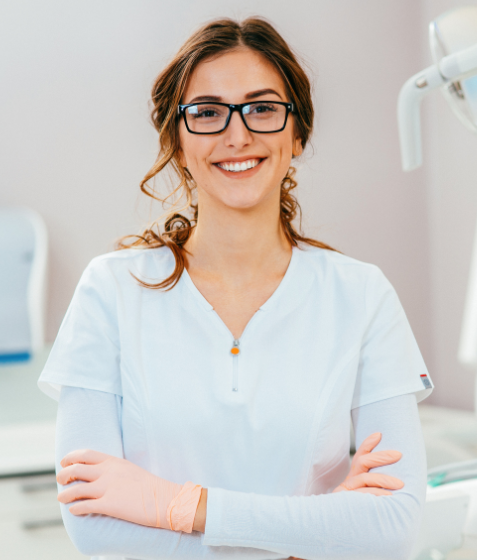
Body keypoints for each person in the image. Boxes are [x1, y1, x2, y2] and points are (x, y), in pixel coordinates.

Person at [39, 16, 433, 560]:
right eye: (206, 113)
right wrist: (314, 535)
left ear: (297, 134)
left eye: (263, 108)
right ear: (177, 143)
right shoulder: (111, 291)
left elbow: (393, 528)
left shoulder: (362, 297)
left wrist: (179, 505)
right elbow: (93, 527)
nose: (237, 134)